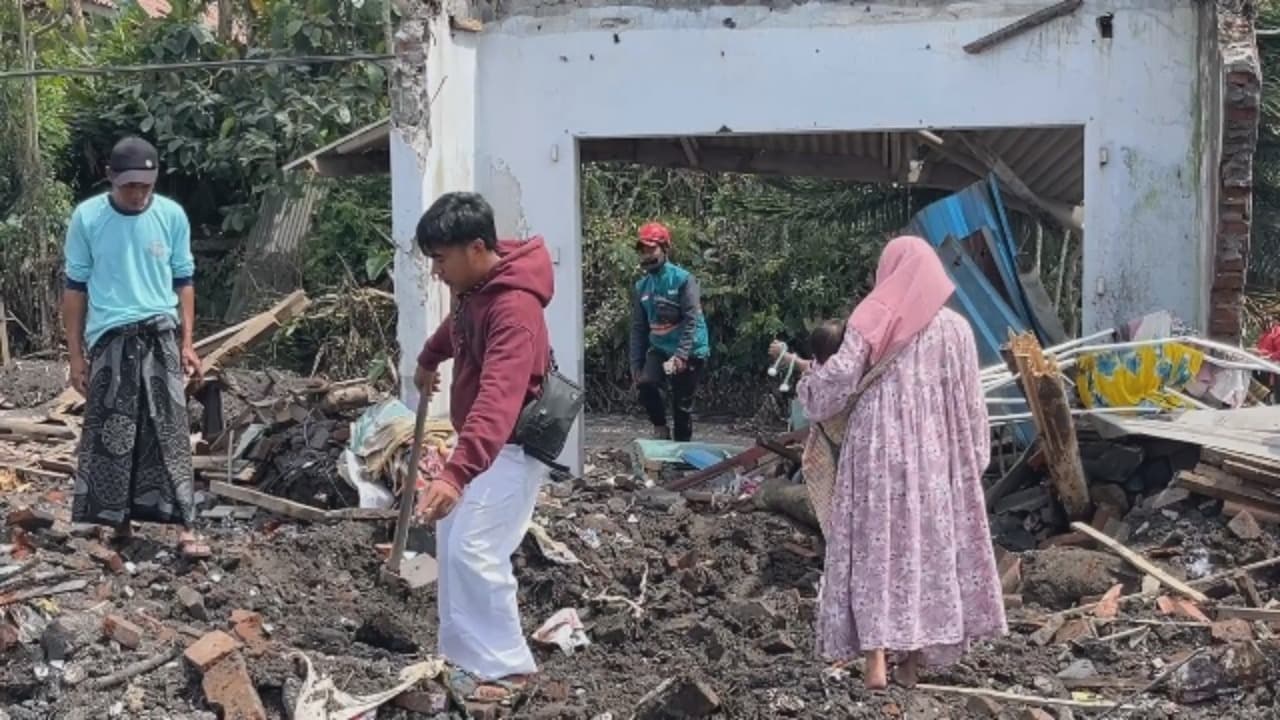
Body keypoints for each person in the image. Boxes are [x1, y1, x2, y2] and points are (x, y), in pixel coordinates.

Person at [793, 236, 1006, 690]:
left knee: (876, 551)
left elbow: (836, 382)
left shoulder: (872, 318)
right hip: (936, 457)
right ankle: (911, 665)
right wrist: (974, 459)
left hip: (876, 451)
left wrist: (807, 388)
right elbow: (972, 404)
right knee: (923, 554)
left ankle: (875, 662)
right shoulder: (957, 331)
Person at [412, 192, 554, 704]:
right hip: (485, 444)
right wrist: (430, 357)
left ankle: (508, 669)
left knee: (476, 550)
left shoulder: (514, 307)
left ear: (476, 248)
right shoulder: (479, 288)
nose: (436, 272)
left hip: (512, 447)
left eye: (441, 259)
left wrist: (455, 472)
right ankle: (464, 656)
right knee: (453, 545)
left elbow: (499, 397)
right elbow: (459, 330)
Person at [62, 136, 209, 559]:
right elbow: (75, 288)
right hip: (110, 337)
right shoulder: (88, 218)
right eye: (129, 186)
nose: (137, 193)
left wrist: (187, 341)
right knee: (114, 433)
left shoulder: (171, 216)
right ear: (111, 178)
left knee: (170, 432)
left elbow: (183, 280)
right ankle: (118, 523)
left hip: (160, 332)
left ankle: (185, 526)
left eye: (145, 185)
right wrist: (75, 355)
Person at [629, 221, 710, 441]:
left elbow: (691, 319)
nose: (646, 255)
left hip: (690, 347)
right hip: (660, 346)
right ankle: (660, 429)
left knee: (681, 407)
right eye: (643, 251)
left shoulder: (683, 279)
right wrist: (635, 364)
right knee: (646, 383)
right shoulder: (641, 287)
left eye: (651, 249)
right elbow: (638, 328)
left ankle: (682, 458)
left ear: (665, 249)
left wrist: (682, 355)